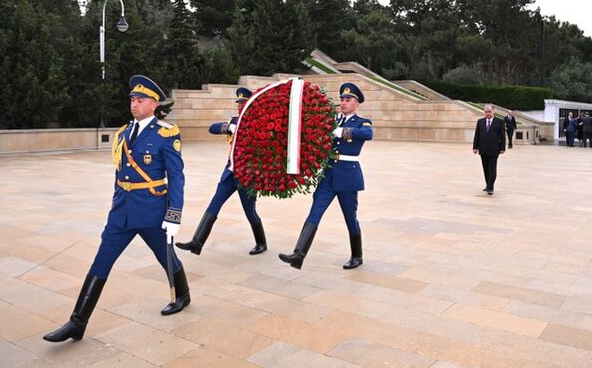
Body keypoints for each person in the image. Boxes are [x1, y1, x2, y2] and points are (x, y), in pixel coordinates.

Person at [43, 75, 189, 343]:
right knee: (102, 260)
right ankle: (77, 322)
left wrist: (174, 214)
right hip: (122, 213)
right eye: (132, 99)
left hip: (152, 212)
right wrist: (115, 203)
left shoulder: (166, 134)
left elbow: (177, 177)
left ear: (154, 104)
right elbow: (120, 173)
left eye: (141, 99)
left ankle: (182, 295)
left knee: (165, 255)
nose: (135, 104)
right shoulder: (123, 133)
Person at [279, 82, 373, 270]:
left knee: (350, 218)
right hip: (329, 175)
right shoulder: (332, 120)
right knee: (315, 212)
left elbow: (368, 134)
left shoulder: (362, 122)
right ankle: (298, 254)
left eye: (348, 100)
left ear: (356, 103)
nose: (344, 102)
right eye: (342, 99)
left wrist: (344, 132)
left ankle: (357, 255)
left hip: (347, 176)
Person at [176, 87, 267, 257]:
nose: (240, 106)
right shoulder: (233, 120)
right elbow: (212, 128)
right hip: (229, 173)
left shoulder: (258, 123)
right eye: (239, 103)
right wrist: (229, 127)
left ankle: (261, 242)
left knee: (250, 212)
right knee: (214, 205)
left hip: (247, 177)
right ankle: (197, 242)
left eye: (244, 103)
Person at [472, 104, 506, 195]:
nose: (488, 113)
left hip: (494, 150)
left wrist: (502, 148)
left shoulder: (500, 122)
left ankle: (491, 187)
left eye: (489, 112)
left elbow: (503, 136)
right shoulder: (480, 122)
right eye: (486, 112)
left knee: (492, 169)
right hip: (483, 149)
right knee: (485, 168)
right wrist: (475, 147)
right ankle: (487, 184)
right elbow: (477, 135)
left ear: (493, 111)